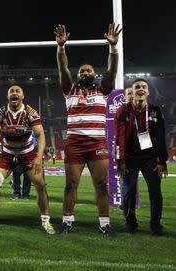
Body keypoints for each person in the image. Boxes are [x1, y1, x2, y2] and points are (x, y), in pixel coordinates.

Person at [54, 23, 121, 235]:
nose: (85, 72)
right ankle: (67, 221)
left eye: (89, 70)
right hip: (74, 144)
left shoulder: (103, 89)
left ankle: (104, 224)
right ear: (78, 74)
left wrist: (113, 48)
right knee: (70, 184)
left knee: (102, 185)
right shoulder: (69, 89)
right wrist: (61, 48)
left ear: (94, 73)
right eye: (82, 70)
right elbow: (63, 68)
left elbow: (112, 70)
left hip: (97, 143)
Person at [0, 85, 55, 234]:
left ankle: (46, 221)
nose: (14, 93)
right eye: (11, 91)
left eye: (17, 91)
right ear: (8, 97)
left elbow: (40, 135)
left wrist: (39, 157)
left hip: (28, 153)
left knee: (40, 184)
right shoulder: (1, 112)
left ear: (22, 96)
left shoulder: (30, 112)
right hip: (7, 153)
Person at [115, 78, 168, 235]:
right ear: (133, 91)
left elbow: (160, 136)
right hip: (129, 158)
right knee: (127, 191)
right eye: (137, 86)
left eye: (144, 87)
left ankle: (155, 225)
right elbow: (120, 138)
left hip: (149, 158)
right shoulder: (123, 111)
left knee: (155, 192)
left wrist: (162, 161)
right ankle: (131, 223)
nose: (140, 89)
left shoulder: (155, 111)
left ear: (148, 91)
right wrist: (121, 161)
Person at [10, 132, 36, 200]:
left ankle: (25, 195)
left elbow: (34, 147)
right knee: (16, 173)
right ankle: (17, 193)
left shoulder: (32, 137)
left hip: (29, 159)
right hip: (20, 159)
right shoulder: (20, 136)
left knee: (27, 177)